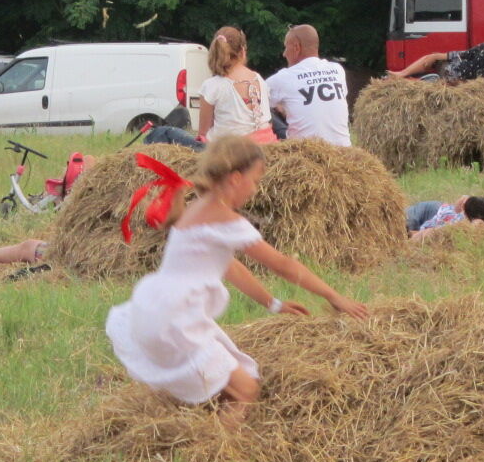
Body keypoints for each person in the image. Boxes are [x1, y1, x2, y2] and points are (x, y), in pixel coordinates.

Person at [105, 136, 368, 424]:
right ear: (235, 178)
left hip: (154, 312)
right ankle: (213, 445)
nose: (254, 189)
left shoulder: (198, 209)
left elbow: (232, 268)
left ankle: (205, 428)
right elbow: (283, 265)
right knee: (246, 391)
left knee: (232, 385)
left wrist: (274, 304)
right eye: (254, 181)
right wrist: (334, 296)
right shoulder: (225, 219)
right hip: (176, 321)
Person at [145, 26, 276, 148]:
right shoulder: (259, 79)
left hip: (228, 150)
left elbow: (203, 133)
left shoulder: (212, 86)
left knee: (163, 132)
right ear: (242, 51)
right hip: (265, 143)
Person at [265, 24, 351, 146]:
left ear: (296, 47)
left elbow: (252, 103)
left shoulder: (284, 78)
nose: (284, 54)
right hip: (344, 149)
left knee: (266, 112)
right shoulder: (337, 70)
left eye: (286, 47)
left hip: (305, 152)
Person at [389, 31, 484, 93]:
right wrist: (438, 56)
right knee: (431, 57)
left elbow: (464, 55)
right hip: (456, 75)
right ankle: (402, 74)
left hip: (460, 82)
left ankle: (404, 77)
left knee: (433, 62)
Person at [405, 196, 484, 239]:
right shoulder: (461, 222)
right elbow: (464, 198)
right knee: (404, 222)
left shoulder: (457, 229)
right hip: (433, 210)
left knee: (406, 233)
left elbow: (428, 233)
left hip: (435, 217)